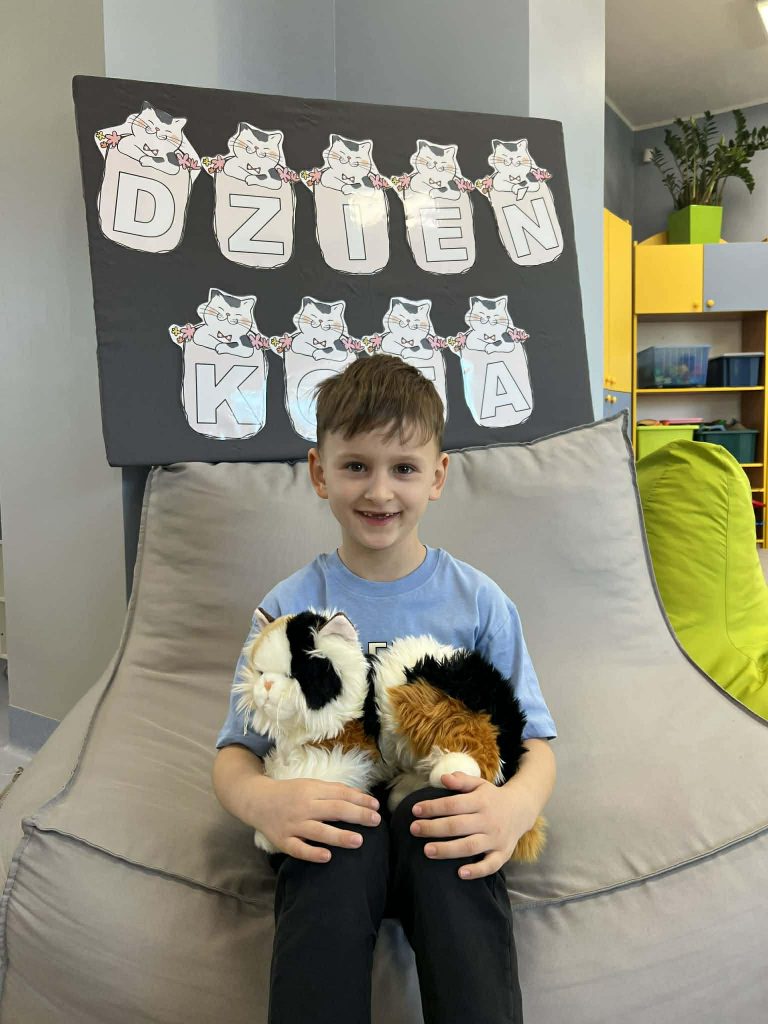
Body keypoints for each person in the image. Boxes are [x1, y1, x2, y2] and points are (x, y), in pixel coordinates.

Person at [212, 354, 557, 1024]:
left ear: (438, 476)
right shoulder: (287, 607)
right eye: (355, 466)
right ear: (319, 472)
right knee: (334, 837)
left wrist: (514, 809)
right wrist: (263, 803)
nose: (379, 491)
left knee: (448, 822)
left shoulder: (480, 603)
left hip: (439, 822)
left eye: (403, 468)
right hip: (337, 822)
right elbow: (235, 752)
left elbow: (536, 742)